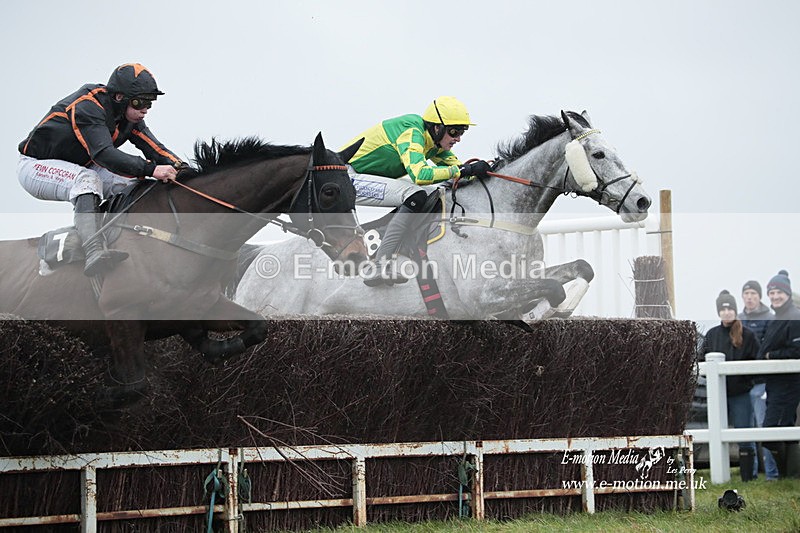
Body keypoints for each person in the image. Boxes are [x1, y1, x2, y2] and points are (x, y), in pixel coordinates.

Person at [17, 63, 182, 277]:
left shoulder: (129, 117)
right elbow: (104, 155)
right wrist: (151, 169)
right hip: (36, 165)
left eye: (150, 103)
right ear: (119, 97)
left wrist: (184, 171)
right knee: (87, 181)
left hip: (83, 165)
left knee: (133, 186)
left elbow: (156, 149)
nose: (145, 109)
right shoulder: (88, 106)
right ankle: (92, 249)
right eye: (140, 102)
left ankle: (122, 237)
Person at [341, 96, 491, 286]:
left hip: (358, 177)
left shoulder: (434, 144)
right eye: (454, 131)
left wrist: (485, 169)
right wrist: (462, 171)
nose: (458, 138)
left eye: (462, 131)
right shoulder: (412, 132)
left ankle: (395, 242)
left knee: (431, 192)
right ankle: (379, 265)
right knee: (415, 193)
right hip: (345, 179)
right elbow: (420, 175)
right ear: (437, 127)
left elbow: (459, 171)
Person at [702, 290, 759, 481]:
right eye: (723, 309)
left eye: (730, 308)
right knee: (716, 433)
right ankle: (719, 474)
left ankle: (749, 477)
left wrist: (745, 380)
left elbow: (755, 361)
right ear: (719, 311)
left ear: (735, 310)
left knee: (745, 434)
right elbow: (701, 359)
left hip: (740, 393)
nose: (726, 312)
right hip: (717, 394)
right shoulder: (711, 335)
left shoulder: (748, 335)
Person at [759, 270, 800, 478]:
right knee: (781, 430)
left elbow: (797, 350)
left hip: (788, 384)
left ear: (787, 294)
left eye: (779, 293)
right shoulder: (779, 317)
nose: (775, 297)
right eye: (772, 293)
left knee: (773, 431)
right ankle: (789, 476)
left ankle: (790, 475)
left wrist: (770, 356)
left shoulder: (794, 317)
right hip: (774, 385)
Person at [738, 279, 779, 480]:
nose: (750, 297)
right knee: (747, 429)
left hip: (763, 383)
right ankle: (750, 474)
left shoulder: (770, 318)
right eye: (746, 294)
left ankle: (772, 474)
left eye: (753, 293)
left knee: (764, 427)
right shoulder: (737, 319)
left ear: (759, 296)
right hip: (743, 384)